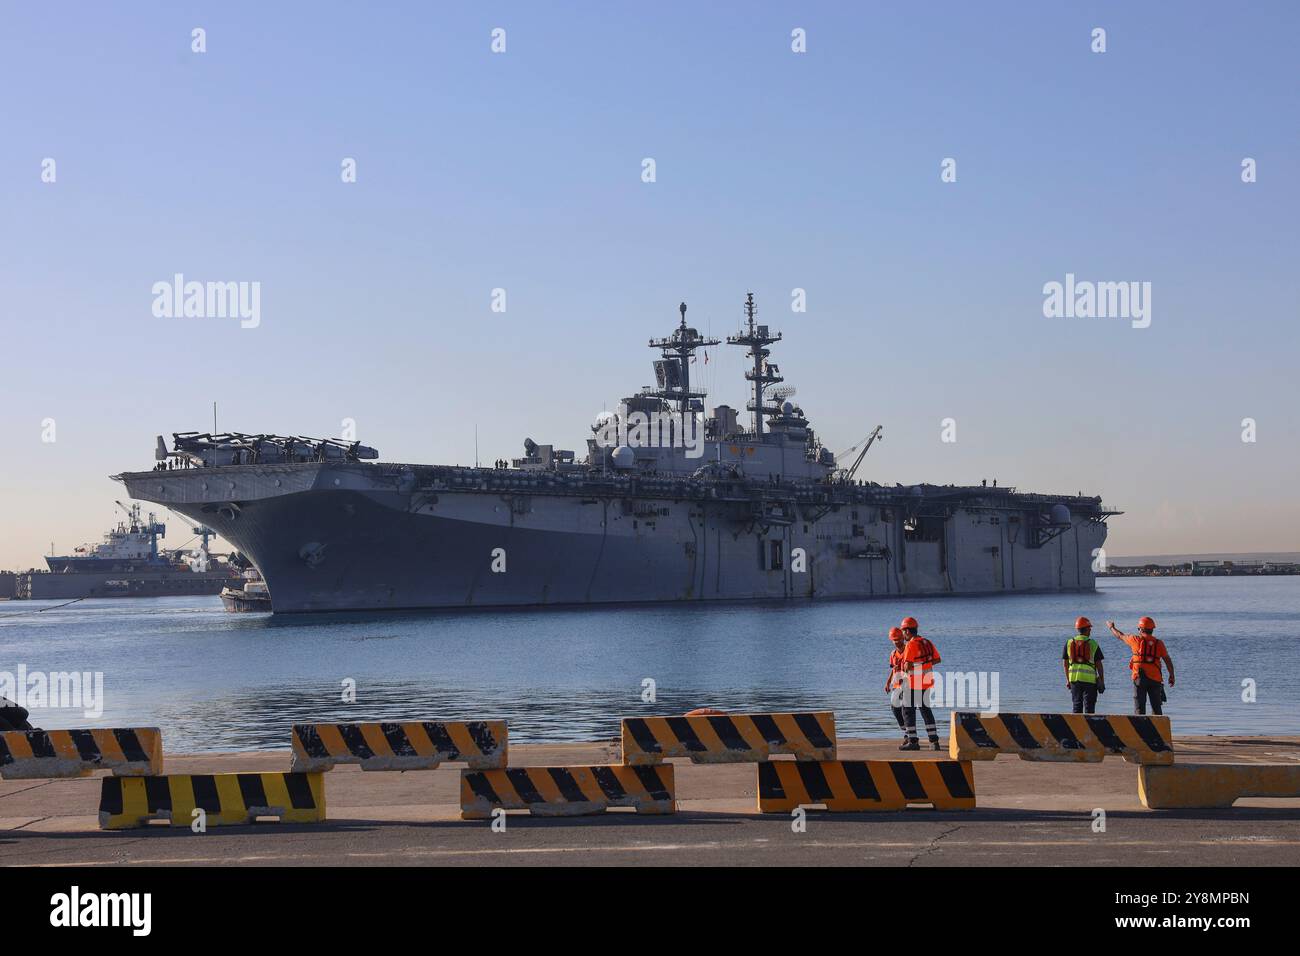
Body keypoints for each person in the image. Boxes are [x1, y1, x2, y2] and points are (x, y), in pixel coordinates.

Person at [1107, 616, 1174, 715]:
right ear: (1152, 629)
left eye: (1138, 629)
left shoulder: (1135, 640)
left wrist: (1111, 627)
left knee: (1139, 708)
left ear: (1141, 629)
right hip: (1155, 680)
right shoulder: (1159, 643)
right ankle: (1157, 729)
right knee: (1156, 708)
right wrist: (1172, 675)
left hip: (1139, 679)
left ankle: (1139, 729)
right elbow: (1167, 660)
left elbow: (1120, 635)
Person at [898, 616, 942, 751]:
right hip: (926, 681)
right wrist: (923, 664)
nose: (902, 634)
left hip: (913, 683)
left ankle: (913, 741)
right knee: (926, 710)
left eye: (903, 631)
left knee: (908, 711)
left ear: (907, 631)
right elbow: (937, 660)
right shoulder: (927, 642)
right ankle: (934, 742)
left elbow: (907, 666)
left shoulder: (911, 645)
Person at [1062, 616, 1105, 713]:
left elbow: (1065, 664)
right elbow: (1099, 665)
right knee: (1089, 708)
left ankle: (1076, 727)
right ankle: (1090, 727)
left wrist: (1068, 680)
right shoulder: (1093, 643)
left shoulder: (1069, 643)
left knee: (1076, 706)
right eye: (1089, 628)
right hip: (1090, 681)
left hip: (1074, 680)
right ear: (1086, 629)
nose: (1090, 630)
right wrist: (1102, 680)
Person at [884, 626, 909, 743]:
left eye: (898, 639)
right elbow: (893, 669)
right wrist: (888, 682)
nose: (897, 642)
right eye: (894, 640)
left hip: (907, 685)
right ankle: (906, 730)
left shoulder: (908, 651)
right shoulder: (893, 653)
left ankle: (908, 735)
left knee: (905, 709)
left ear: (903, 638)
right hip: (896, 685)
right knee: (894, 708)